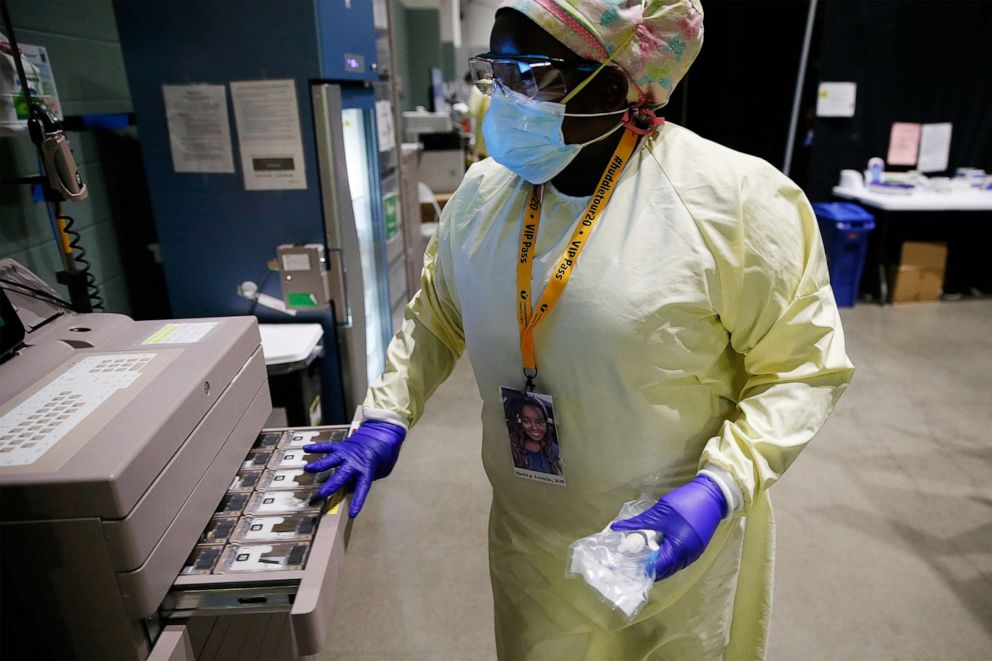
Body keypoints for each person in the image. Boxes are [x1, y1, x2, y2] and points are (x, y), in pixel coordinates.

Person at [304, 0, 855, 658]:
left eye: (531, 74)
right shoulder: (483, 197)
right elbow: (437, 314)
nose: (503, 96)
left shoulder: (731, 202)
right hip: (530, 541)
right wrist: (386, 416)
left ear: (617, 84)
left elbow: (801, 367)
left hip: (668, 544)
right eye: (494, 72)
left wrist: (719, 488)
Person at [506, 394, 563, 475]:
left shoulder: (554, 449)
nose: (534, 427)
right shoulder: (511, 449)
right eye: (526, 421)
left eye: (540, 422)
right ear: (519, 422)